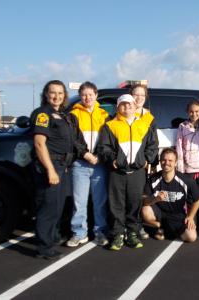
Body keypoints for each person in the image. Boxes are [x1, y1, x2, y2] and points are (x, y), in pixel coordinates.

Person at [98, 94, 158, 251]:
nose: (127, 107)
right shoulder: (110, 126)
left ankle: (132, 233)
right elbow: (104, 147)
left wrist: (146, 160)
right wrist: (112, 159)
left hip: (137, 172)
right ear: (118, 107)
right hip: (116, 172)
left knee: (134, 203)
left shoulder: (144, 126)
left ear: (134, 106)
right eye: (123, 105)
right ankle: (117, 235)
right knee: (116, 204)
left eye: (130, 104)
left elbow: (152, 146)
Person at [30, 80, 82, 259]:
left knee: (57, 207)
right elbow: (39, 143)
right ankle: (44, 248)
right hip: (49, 166)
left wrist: (64, 166)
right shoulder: (43, 114)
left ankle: (51, 239)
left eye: (60, 93)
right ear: (46, 94)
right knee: (48, 208)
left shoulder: (62, 114)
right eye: (53, 93)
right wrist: (50, 170)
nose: (57, 96)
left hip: (62, 166)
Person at [66, 81, 110, 248]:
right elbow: (73, 139)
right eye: (84, 94)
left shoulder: (104, 115)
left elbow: (107, 139)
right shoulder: (73, 114)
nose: (87, 97)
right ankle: (79, 233)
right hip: (80, 164)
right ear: (80, 96)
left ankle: (100, 232)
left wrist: (98, 155)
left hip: (99, 164)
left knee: (100, 201)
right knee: (79, 202)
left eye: (90, 94)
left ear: (96, 95)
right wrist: (85, 154)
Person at [142, 148, 199, 242]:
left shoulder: (185, 180)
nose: (166, 163)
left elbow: (198, 199)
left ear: (175, 163)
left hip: (177, 215)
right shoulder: (153, 179)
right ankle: (158, 226)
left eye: (170, 160)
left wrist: (190, 217)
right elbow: (144, 201)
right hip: (159, 215)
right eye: (164, 160)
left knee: (191, 237)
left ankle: (162, 230)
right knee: (146, 210)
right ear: (160, 161)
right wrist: (155, 199)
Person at [175, 99, 199, 231]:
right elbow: (179, 147)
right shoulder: (183, 126)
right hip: (188, 168)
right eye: (191, 111)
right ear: (187, 112)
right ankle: (189, 220)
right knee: (189, 196)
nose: (194, 114)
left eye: (197, 111)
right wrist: (180, 169)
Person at [129, 83, 158, 240]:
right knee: (125, 198)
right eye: (135, 94)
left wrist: (148, 160)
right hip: (123, 164)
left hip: (141, 165)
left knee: (139, 196)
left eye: (142, 95)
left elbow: (153, 142)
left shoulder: (149, 117)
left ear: (145, 97)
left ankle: (137, 226)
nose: (138, 97)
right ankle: (125, 226)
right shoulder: (123, 112)